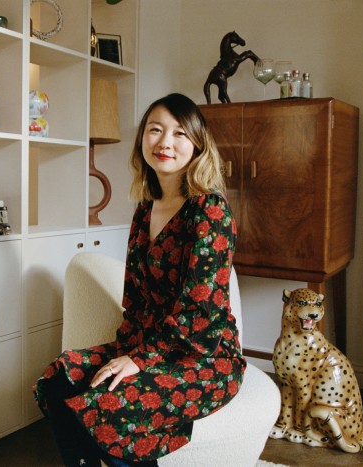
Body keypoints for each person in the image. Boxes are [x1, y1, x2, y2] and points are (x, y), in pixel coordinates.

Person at [34, 93, 245, 466]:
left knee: (115, 407)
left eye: (180, 133)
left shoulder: (209, 210)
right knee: (59, 379)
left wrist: (140, 361)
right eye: (155, 130)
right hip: (144, 346)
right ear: (142, 140)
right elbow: (136, 300)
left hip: (205, 358)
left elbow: (199, 312)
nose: (165, 142)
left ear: (197, 145)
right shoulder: (145, 209)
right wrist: (123, 353)